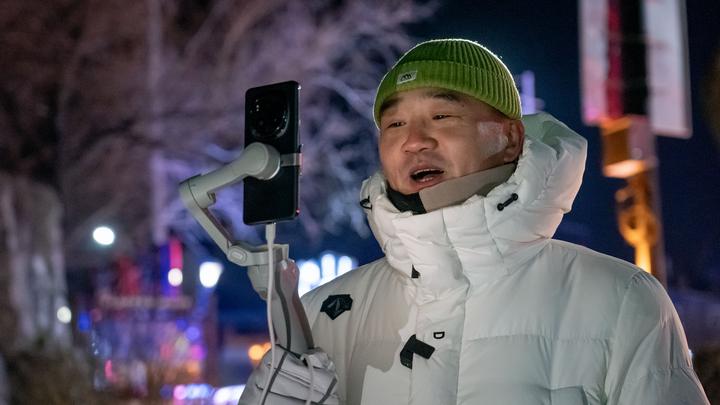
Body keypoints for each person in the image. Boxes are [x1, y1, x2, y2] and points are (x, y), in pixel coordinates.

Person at [241, 38, 709, 404]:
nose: (414, 141)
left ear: (509, 138)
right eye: (395, 125)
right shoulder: (322, 315)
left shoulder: (620, 299)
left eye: (442, 115)